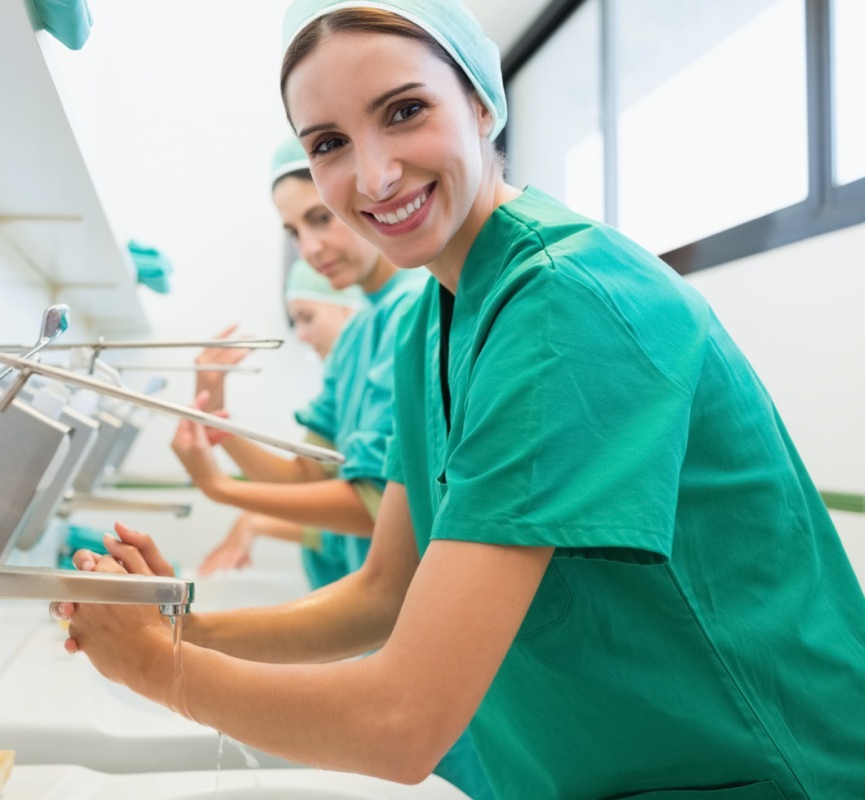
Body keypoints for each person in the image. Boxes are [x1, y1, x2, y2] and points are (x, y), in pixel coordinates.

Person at [55, 2, 865, 797]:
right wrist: (185, 629)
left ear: (481, 101)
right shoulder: (424, 324)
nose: (371, 176)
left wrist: (158, 668)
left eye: (405, 111)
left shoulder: (565, 302)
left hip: (760, 767)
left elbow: (403, 723)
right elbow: (386, 591)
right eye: (330, 143)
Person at [171, 137, 427, 578]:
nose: (308, 250)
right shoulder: (360, 333)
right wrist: (215, 420)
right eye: (294, 233)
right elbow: (308, 478)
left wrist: (220, 488)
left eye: (320, 218)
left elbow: (376, 509)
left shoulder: (415, 312)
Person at [197, 259, 367, 588]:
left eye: (307, 317)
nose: (300, 335)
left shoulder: (380, 377)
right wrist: (214, 418)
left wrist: (219, 487)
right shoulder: (342, 386)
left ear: (349, 308)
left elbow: (369, 512)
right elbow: (302, 481)